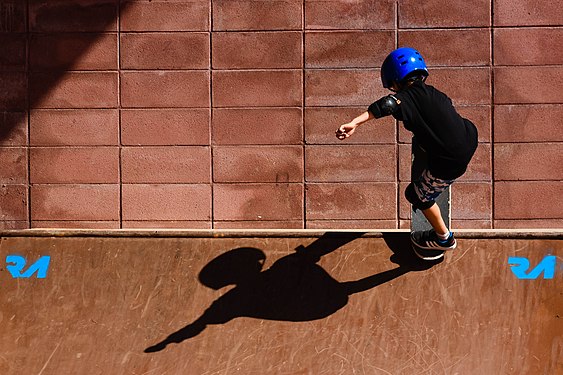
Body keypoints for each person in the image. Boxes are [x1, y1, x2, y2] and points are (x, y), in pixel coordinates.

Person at [336, 47, 478, 251]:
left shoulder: (406, 98)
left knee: (416, 195)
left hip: (451, 161)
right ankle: (429, 148)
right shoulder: (435, 93)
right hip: (469, 136)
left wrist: (355, 123)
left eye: (392, 87)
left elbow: (386, 105)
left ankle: (443, 238)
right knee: (430, 130)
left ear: (395, 81)